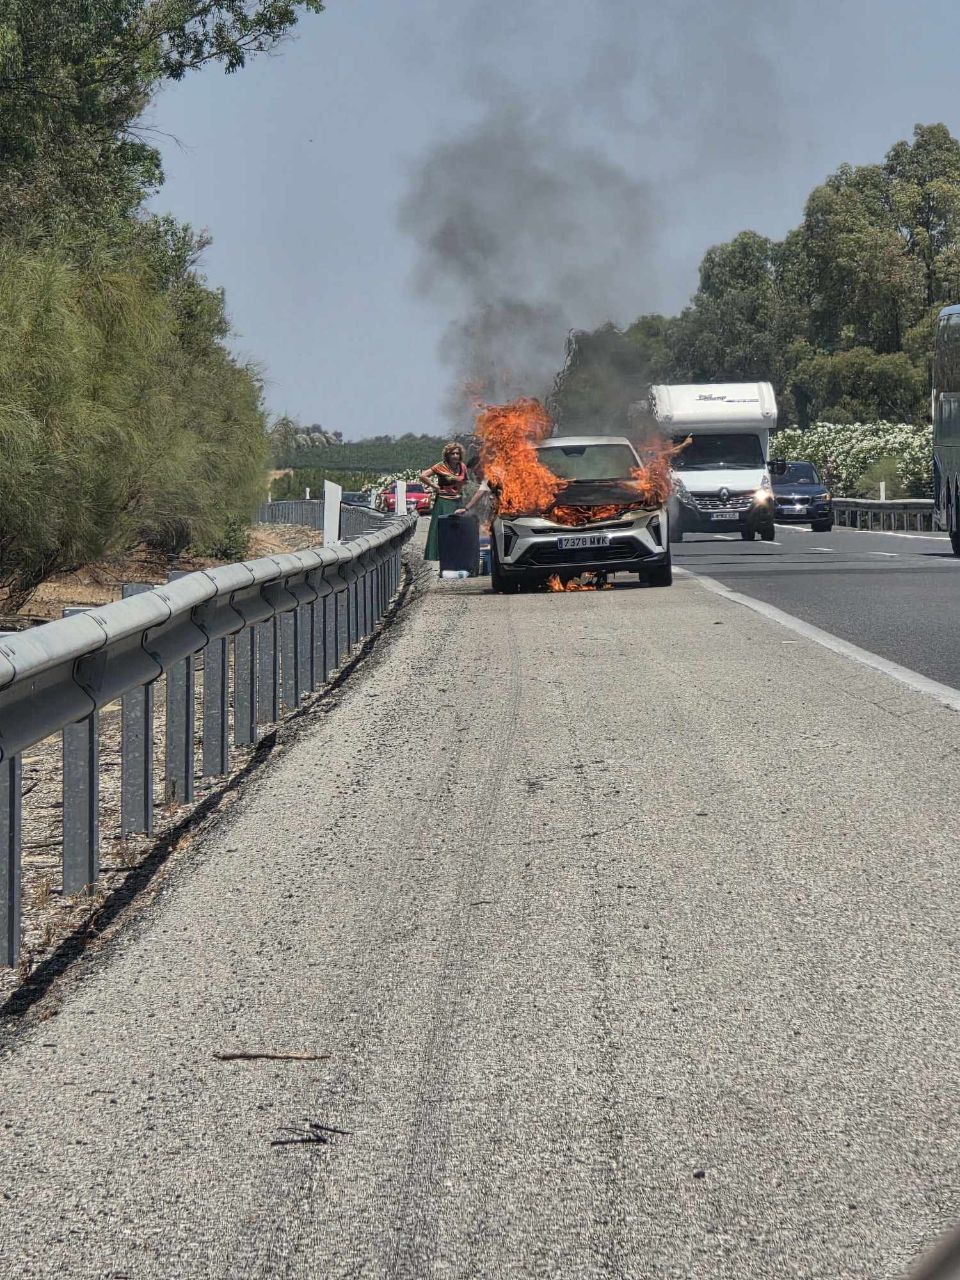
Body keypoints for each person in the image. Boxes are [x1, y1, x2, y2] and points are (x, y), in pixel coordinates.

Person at [421, 442, 469, 561]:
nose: (455, 456)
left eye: (457, 453)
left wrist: (462, 489)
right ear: (448, 455)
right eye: (453, 453)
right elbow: (423, 475)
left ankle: (456, 554)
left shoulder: (462, 466)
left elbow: (466, 481)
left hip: (457, 501)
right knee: (441, 528)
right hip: (443, 501)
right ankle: (437, 555)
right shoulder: (440, 466)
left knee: (458, 529)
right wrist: (435, 486)